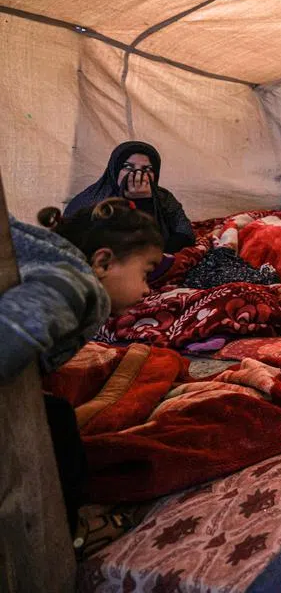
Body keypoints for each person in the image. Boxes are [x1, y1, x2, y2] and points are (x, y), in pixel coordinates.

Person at [0, 199, 164, 534]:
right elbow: (12, 330)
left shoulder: (59, 267)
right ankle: (71, 527)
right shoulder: (77, 285)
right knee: (58, 423)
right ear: (103, 261)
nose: (148, 290)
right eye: (146, 272)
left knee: (55, 411)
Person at [65, 141, 194, 252]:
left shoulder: (163, 197)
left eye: (147, 169)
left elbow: (185, 232)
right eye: (128, 167)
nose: (138, 174)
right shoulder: (92, 201)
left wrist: (145, 202)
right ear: (114, 170)